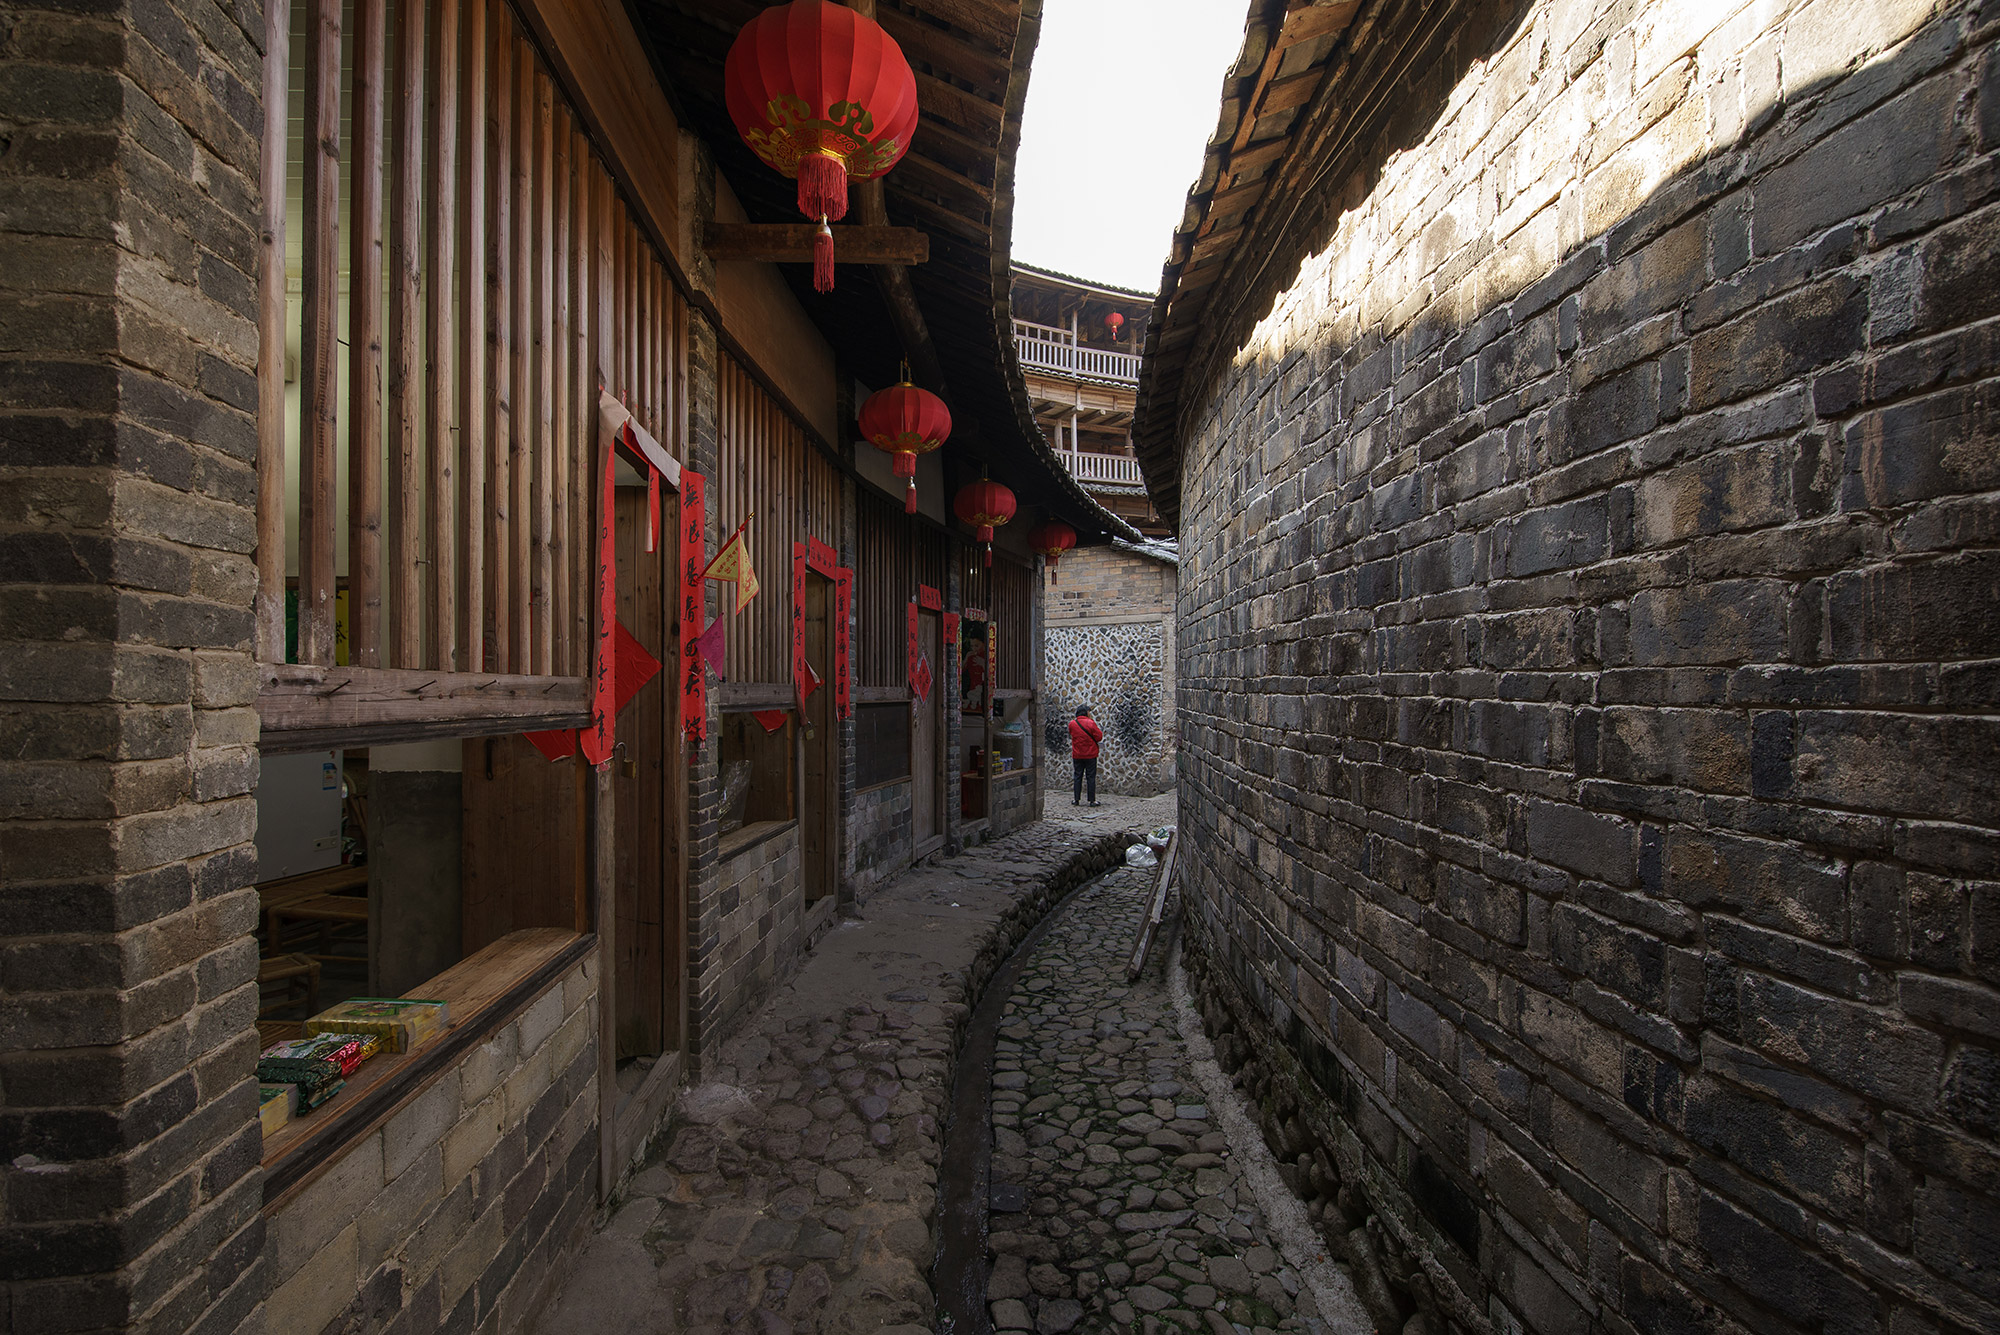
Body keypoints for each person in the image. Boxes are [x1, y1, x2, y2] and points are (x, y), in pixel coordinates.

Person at [1068, 705, 1103, 807]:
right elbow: (1099, 737)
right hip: (1090, 754)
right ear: (1086, 712)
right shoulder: (1090, 723)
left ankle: (1076, 799)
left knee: (1077, 776)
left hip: (1077, 754)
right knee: (1090, 777)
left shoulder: (1072, 724)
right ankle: (1091, 800)